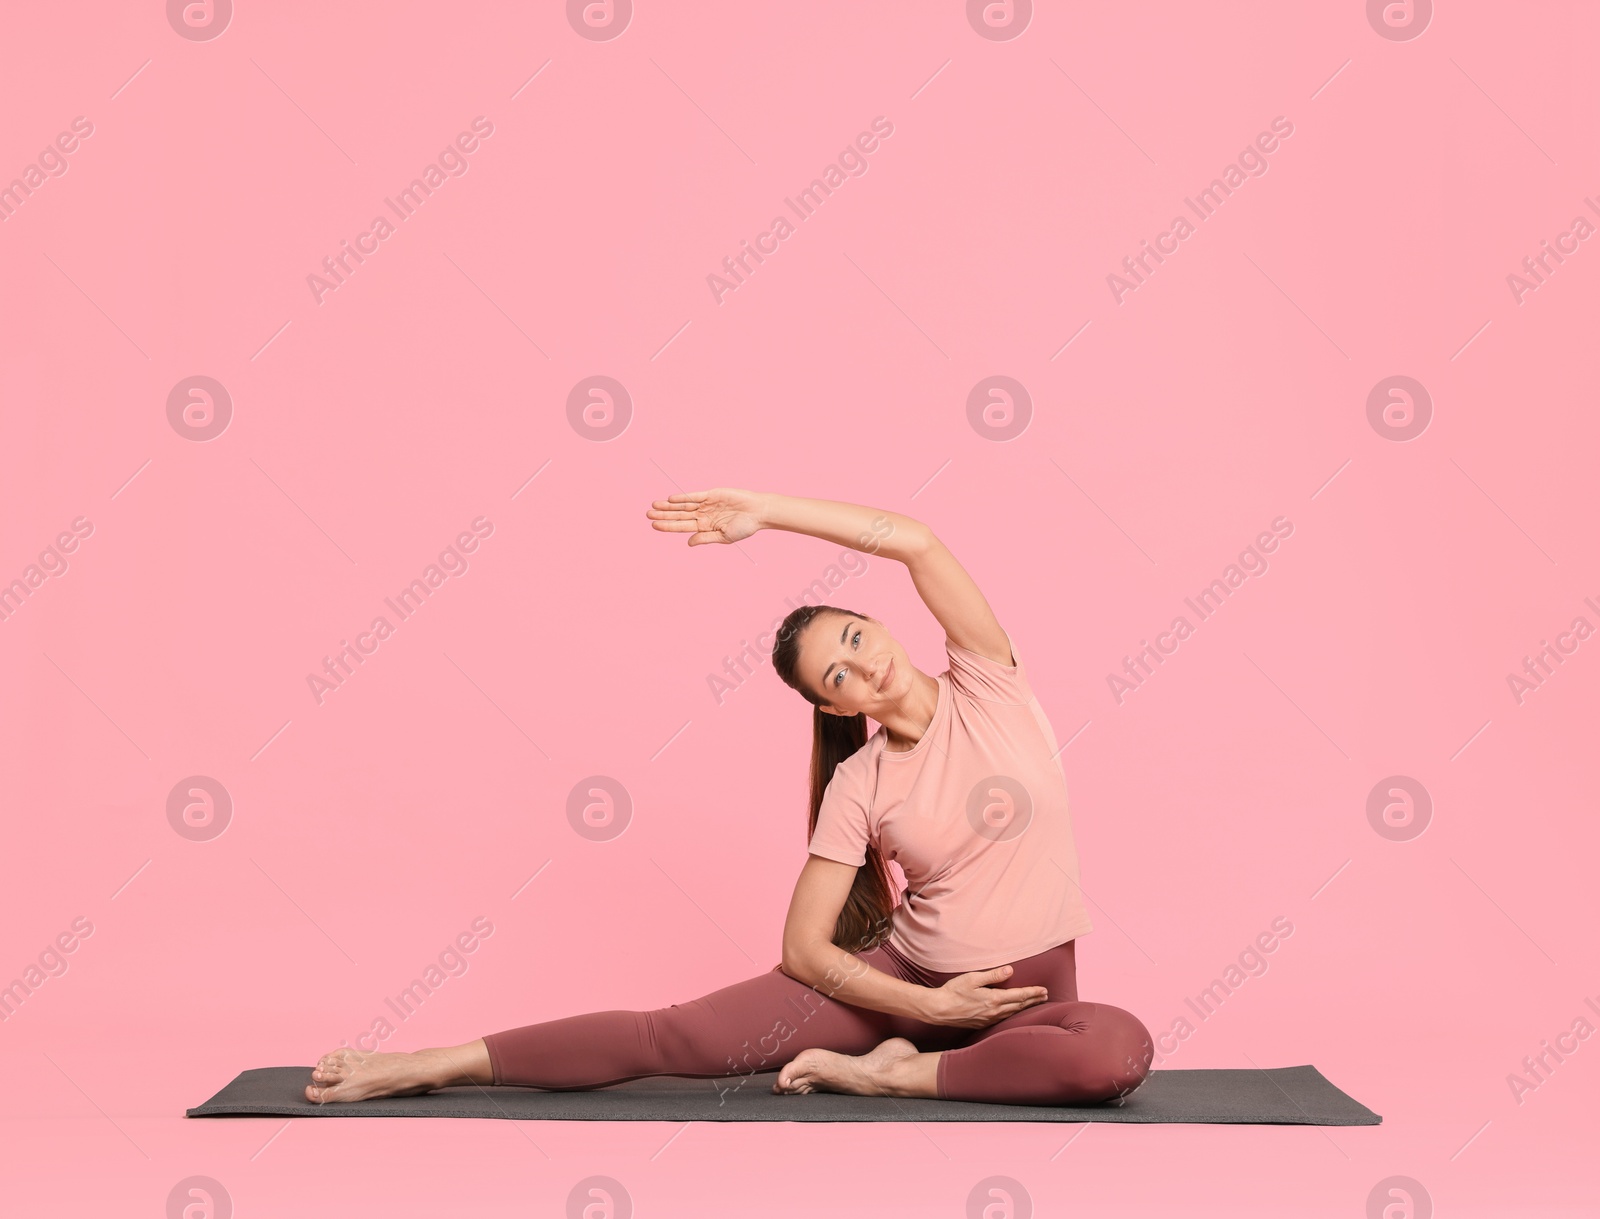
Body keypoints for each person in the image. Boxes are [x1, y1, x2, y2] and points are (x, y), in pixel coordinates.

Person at [304, 490, 1153, 1107]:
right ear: (835, 705)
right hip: (907, 985)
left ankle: (894, 1074)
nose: (864, 665)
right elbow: (805, 948)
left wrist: (765, 513)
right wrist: (926, 1004)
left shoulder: (990, 686)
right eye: (839, 673)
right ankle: (428, 1063)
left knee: (1113, 1056)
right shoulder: (860, 782)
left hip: (1024, 1007)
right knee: (668, 1038)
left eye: (857, 638)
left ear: (881, 622)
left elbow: (919, 541)